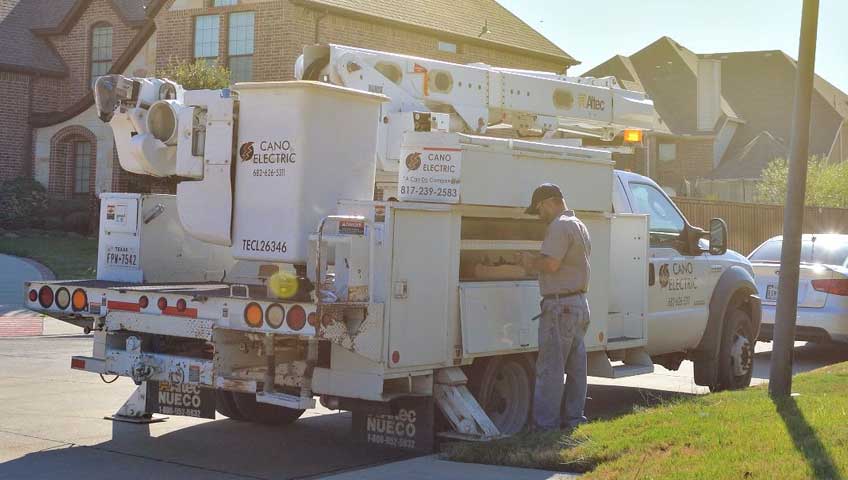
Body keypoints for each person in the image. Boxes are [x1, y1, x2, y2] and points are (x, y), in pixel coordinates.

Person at [517, 183, 591, 432]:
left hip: (561, 308)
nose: (539, 216)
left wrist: (529, 262)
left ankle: (544, 429)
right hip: (579, 304)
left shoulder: (559, 226)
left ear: (549, 202)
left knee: (550, 370)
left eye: (539, 210)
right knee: (577, 369)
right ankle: (573, 422)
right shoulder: (578, 224)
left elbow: (551, 265)